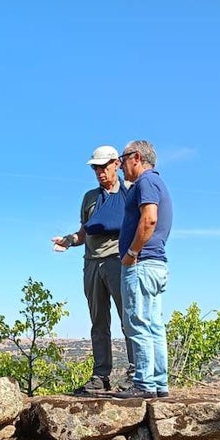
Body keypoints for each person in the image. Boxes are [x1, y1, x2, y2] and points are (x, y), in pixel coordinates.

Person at [52, 145, 133, 394]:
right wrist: (68, 240)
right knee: (98, 322)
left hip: (118, 261)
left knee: (128, 319)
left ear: (116, 164)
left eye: (104, 167)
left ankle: (135, 373)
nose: (99, 172)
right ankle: (101, 376)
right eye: (96, 168)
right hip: (92, 263)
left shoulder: (130, 193)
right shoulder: (90, 197)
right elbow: (85, 232)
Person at [114, 140, 173, 400]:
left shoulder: (146, 182)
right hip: (156, 263)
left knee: (137, 322)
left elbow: (149, 218)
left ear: (136, 157)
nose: (119, 165)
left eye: (122, 158)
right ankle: (159, 384)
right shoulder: (158, 182)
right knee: (154, 325)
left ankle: (144, 383)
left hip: (142, 263)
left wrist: (131, 253)